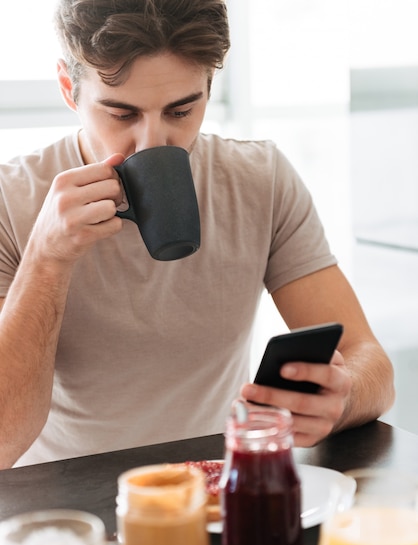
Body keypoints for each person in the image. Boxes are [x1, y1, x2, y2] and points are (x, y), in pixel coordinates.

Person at [0, 0, 394, 469]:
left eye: (181, 110)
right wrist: (47, 259)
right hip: (69, 507)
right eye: (122, 114)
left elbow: (371, 364)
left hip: (215, 489)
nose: (154, 143)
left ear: (209, 87)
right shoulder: (12, 199)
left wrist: (340, 400)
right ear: (69, 89)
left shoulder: (260, 178)